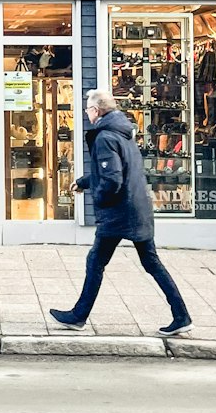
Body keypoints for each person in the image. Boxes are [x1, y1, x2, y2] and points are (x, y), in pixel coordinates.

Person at [50, 88, 191, 335]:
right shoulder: (122, 132)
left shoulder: (105, 137)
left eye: (87, 109)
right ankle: (181, 315)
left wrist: (101, 200)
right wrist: (84, 181)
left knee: (96, 261)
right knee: (150, 262)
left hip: (119, 212)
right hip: (137, 206)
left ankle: (78, 316)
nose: (86, 113)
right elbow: (116, 170)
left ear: (95, 110)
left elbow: (112, 179)